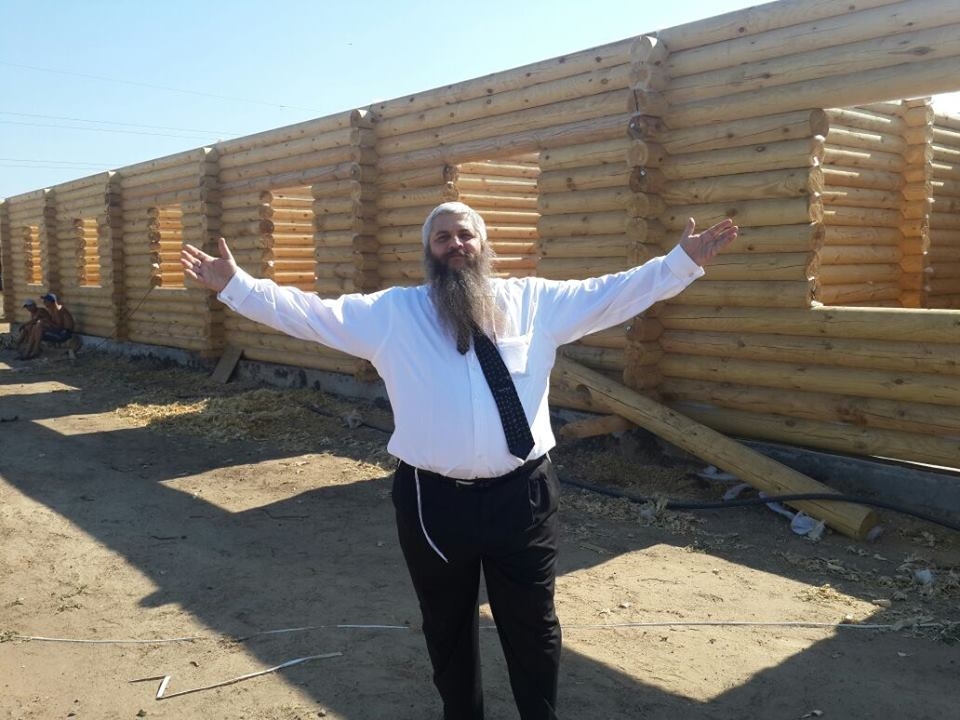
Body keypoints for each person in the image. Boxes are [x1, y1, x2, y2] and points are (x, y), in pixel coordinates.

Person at [181, 202, 737, 719]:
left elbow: (615, 292)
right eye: (442, 236)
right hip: (433, 502)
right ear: (429, 251)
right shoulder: (394, 313)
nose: (455, 243)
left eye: (465, 233)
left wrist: (679, 264)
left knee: (533, 623)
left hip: (523, 496)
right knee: (447, 625)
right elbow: (311, 314)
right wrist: (238, 287)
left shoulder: (535, 302)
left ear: (483, 244)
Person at [19, 292, 75, 360]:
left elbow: (59, 327)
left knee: (40, 324)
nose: (44, 302)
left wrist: (46, 321)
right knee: (36, 326)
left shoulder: (59, 310)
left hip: (64, 334)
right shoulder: (52, 310)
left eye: (45, 301)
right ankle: (28, 352)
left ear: (52, 302)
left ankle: (35, 350)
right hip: (59, 331)